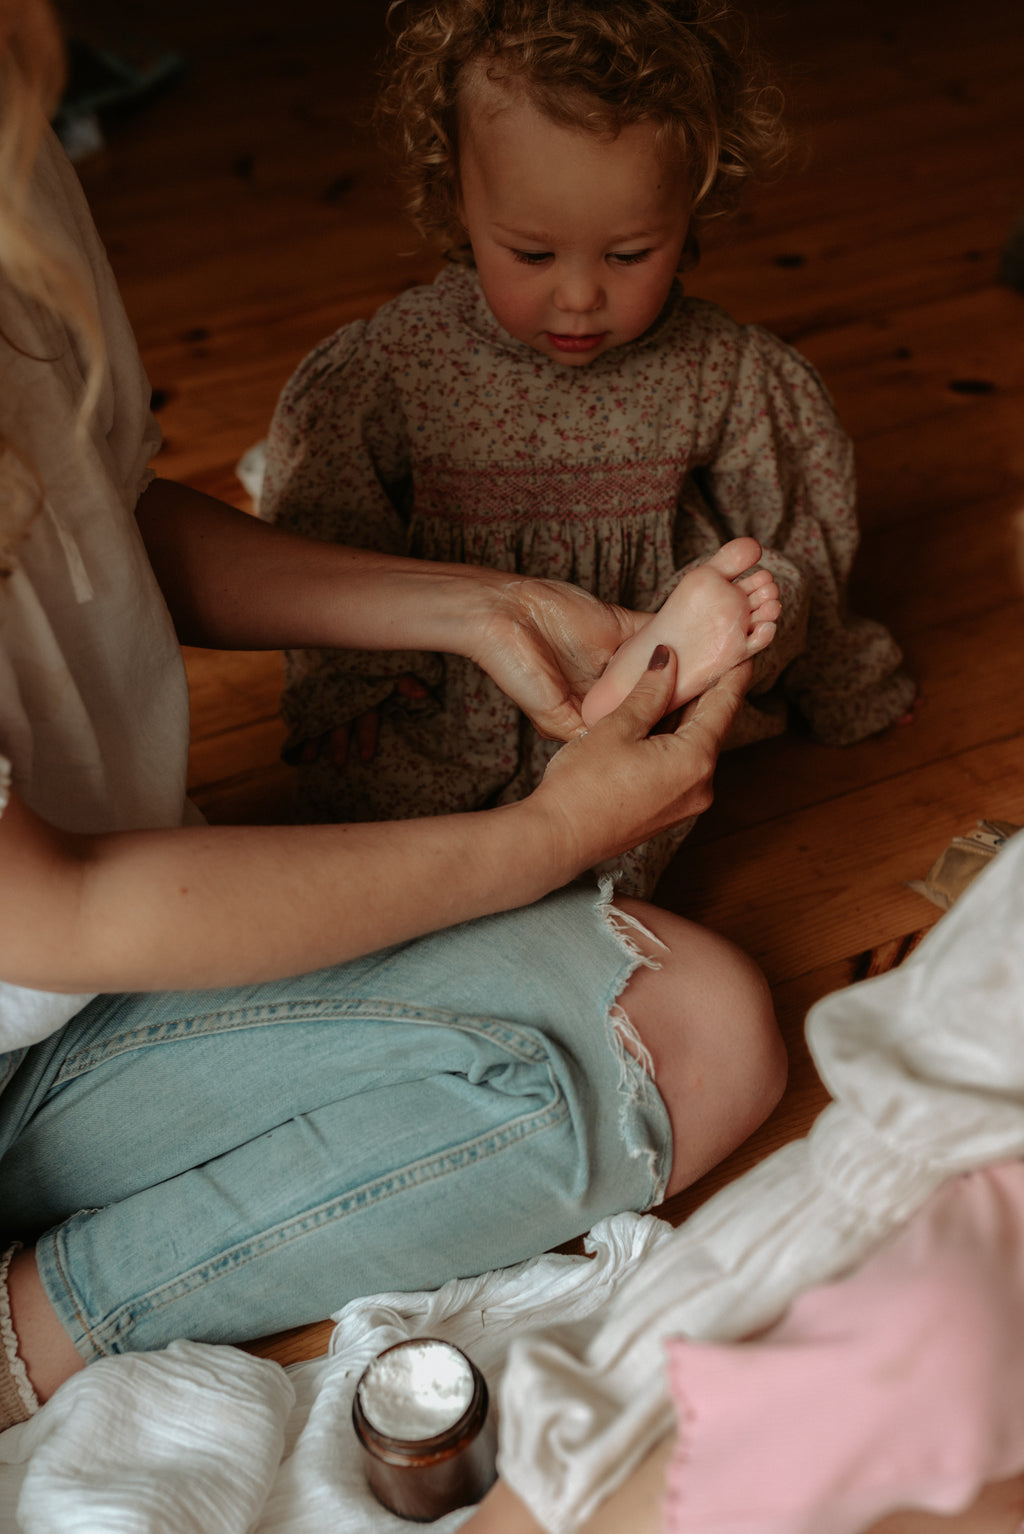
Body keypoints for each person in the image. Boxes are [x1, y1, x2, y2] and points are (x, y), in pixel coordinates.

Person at [0, 0, 787, 1433]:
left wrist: (469, 605)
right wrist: (550, 834)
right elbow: (50, 907)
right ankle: (41, 1328)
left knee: (709, 1033)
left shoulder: (17, 161)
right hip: (55, 957)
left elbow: (91, 528)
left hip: (65, 1001)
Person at [258, 0, 916, 897]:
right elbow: (324, 518)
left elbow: (795, 509)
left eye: (630, 253)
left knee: (629, 826)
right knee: (367, 819)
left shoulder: (719, 367)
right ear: (458, 197)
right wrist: (346, 679)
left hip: (638, 658)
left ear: (693, 207)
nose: (578, 297)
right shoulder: (399, 363)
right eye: (531, 254)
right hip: (453, 679)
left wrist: (818, 649)